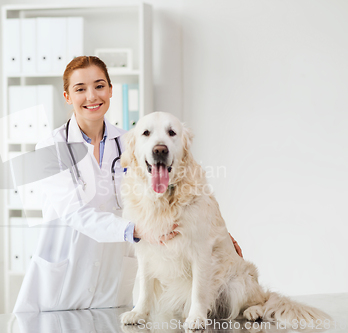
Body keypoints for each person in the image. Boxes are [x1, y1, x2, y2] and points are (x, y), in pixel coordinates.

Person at [13, 56, 242, 313]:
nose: (92, 96)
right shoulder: (51, 148)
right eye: (80, 89)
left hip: (112, 283)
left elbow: (172, 195)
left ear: (110, 90)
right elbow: (74, 213)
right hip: (63, 283)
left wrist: (218, 237)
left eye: (99, 86)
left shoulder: (131, 141)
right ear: (67, 96)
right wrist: (136, 231)